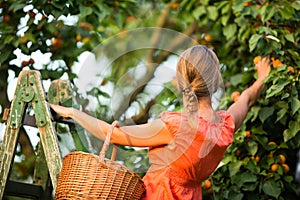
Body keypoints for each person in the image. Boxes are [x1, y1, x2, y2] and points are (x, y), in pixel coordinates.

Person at [50, 45, 271, 199]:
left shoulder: (176, 126)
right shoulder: (225, 126)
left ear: (181, 81)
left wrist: (73, 113)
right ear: (216, 81)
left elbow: (116, 135)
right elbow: (247, 99)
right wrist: (262, 77)